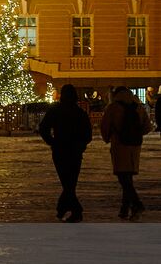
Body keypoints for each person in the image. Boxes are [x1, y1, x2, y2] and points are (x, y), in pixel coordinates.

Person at [38, 83, 92, 222]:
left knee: (67, 183)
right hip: (74, 151)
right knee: (70, 182)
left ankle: (70, 210)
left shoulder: (55, 110)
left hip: (60, 150)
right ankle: (68, 210)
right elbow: (88, 134)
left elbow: (43, 128)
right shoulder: (79, 112)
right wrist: (81, 145)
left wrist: (52, 142)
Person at [99, 85, 153, 220]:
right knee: (127, 178)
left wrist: (108, 138)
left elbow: (104, 126)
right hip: (134, 147)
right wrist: (135, 133)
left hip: (119, 146)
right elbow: (148, 127)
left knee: (123, 179)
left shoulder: (113, 108)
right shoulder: (138, 107)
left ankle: (137, 204)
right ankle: (124, 209)